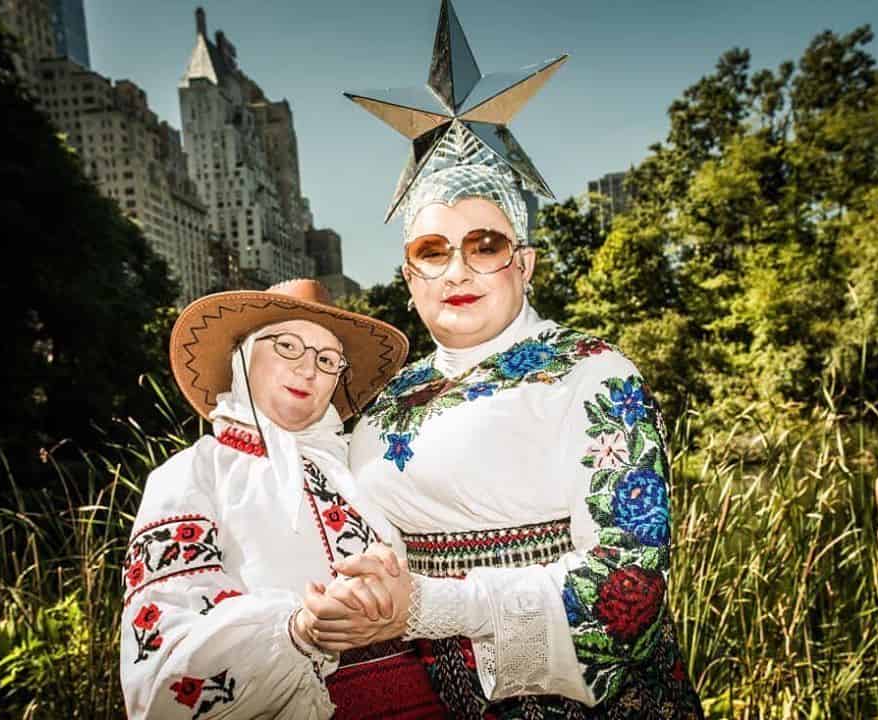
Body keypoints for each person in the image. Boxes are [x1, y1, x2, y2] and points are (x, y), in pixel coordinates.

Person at [300, 2, 705, 716]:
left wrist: (425, 607)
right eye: (432, 250)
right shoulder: (385, 402)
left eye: (484, 245)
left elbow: (629, 592)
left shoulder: (593, 373)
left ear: (525, 263)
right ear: (408, 276)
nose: (457, 269)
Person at [119, 280, 448, 719]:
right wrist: (298, 631)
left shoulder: (365, 466)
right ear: (242, 357)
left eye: (327, 359)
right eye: (287, 346)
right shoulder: (191, 475)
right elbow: (162, 653)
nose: (308, 370)